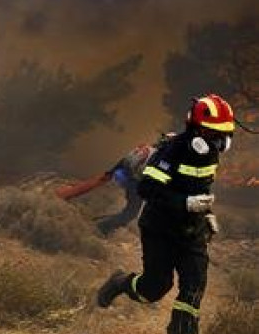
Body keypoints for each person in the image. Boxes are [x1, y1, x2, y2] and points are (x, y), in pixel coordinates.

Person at [97, 94, 236, 334]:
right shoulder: (173, 150)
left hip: (191, 231)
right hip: (160, 229)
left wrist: (207, 213)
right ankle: (120, 282)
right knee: (153, 289)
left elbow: (200, 188)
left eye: (225, 135)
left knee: (194, 284)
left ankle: (182, 328)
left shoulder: (210, 154)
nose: (220, 143)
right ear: (197, 130)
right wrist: (186, 203)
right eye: (215, 134)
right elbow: (148, 189)